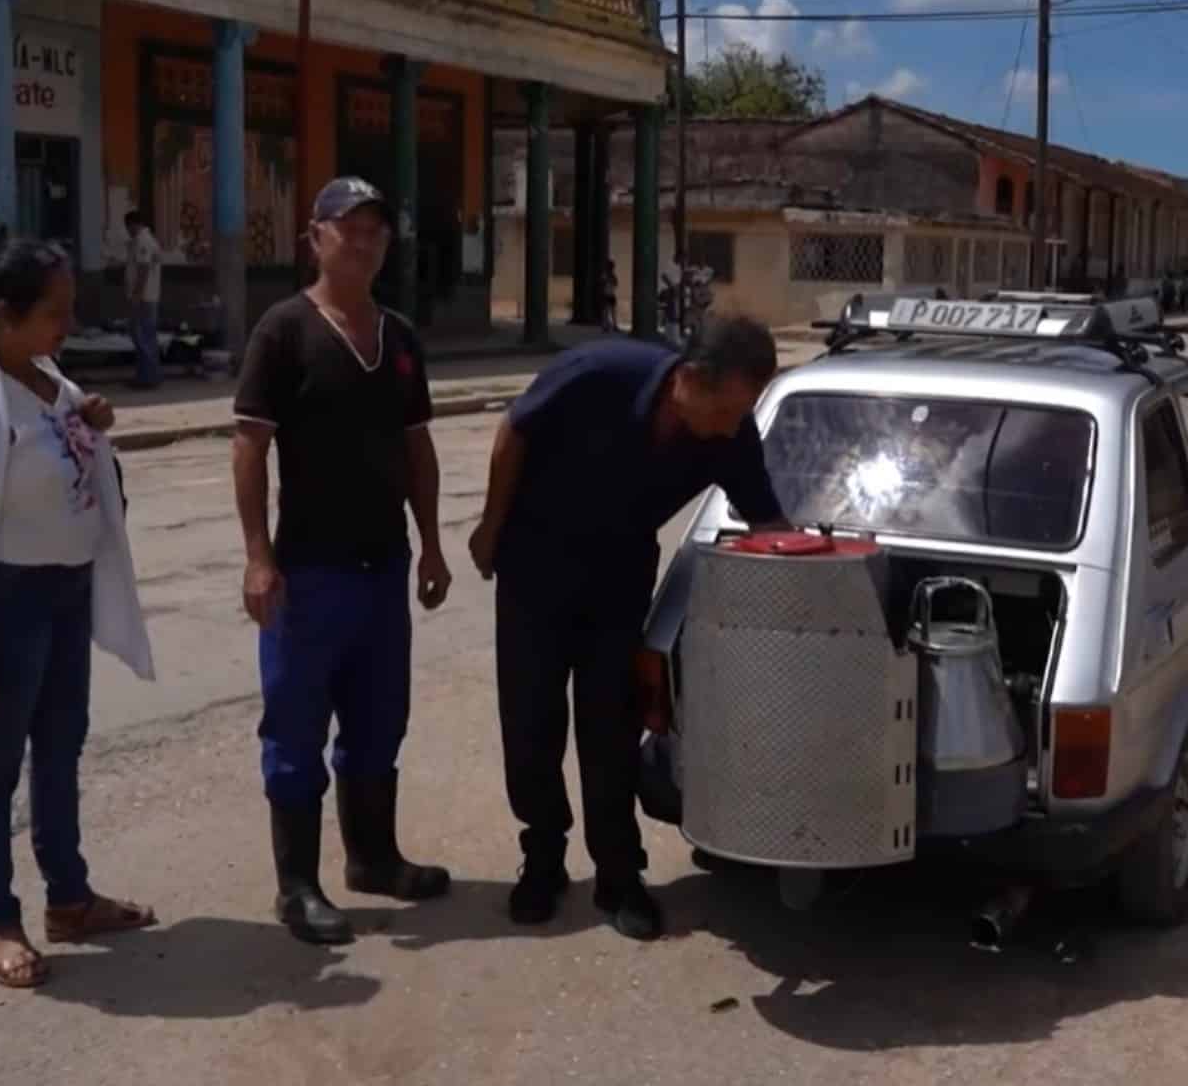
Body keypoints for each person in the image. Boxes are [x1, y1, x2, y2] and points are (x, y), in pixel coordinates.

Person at [467, 316, 788, 941]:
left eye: (742, 412)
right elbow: (515, 431)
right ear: (689, 380)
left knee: (611, 726)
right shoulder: (598, 373)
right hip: (536, 568)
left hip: (619, 580)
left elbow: (767, 521)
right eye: (727, 410)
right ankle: (543, 856)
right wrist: (490, 526)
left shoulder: (731, 433)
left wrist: (821, 567)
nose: (733, 426)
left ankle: (619, 875)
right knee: (530, 719)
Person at [0, 233, 157, 989]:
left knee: (59, 749)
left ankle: (70, 899)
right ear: (4, 312)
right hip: (9, 605)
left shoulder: (48, 378)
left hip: (66, 593)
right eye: (55, 312)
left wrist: (91, 418)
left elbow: (66, 442)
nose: (68, 325)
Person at [232, 176, 453, 947]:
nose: (363, 243)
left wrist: (431, 543)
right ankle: (297, 887)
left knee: (378, 720)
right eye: (349, 228)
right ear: (315, 237)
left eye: (376, 232)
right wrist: (258, 558)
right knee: (295, 728)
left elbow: (417, 447)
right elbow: (250, 446)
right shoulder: (283, 331)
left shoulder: (400, 338)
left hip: (382, 567)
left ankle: (374, 859)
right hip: (307, 572)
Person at [124, 210, 163, 389]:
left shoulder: (143, 241)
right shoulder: (144, 240)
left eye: (128, 227)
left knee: (143, 336)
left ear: (133, 224)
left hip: (144, 298)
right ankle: (146, 375)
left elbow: (143, 269)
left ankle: (148, 377)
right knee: (145, 336)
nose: (128, 231)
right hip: (146, 297)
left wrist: (137, 295)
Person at [598, 257, 619, 333]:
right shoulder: (606, 275)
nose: (612, 268)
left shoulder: (612, 275)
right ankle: (606, 326)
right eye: (611, 266)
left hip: (610, 294)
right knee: (606, 311)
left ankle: (612, 326)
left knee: (611, 311)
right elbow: (602, 284)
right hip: (607, 294)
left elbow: (615, 284)